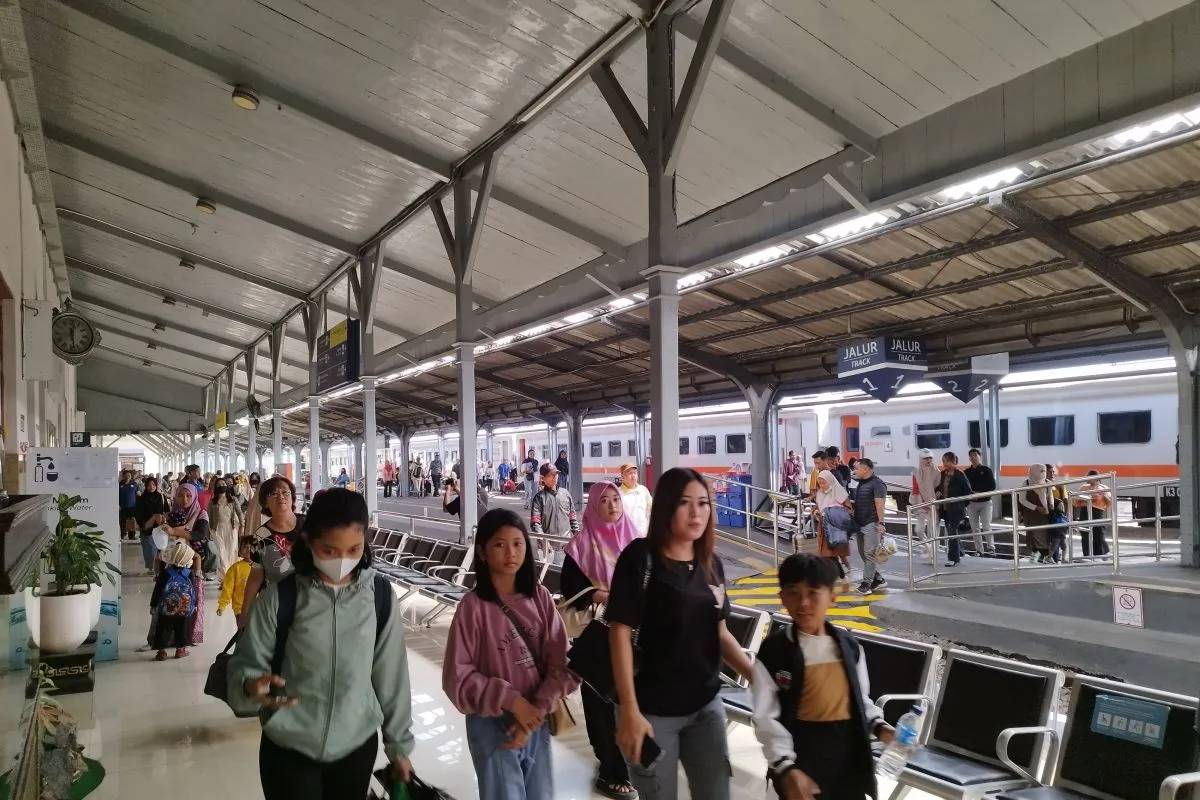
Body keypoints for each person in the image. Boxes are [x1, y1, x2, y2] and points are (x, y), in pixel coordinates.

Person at [229, 489, 415, 800]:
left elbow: (391, 675)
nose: (343, 560)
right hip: (288, 748)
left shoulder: (379, 597)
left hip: (356, 748)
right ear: (309, 540)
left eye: (354, 549)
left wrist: (399, 747)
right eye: (330, 550)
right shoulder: (281, 598)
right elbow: (245, 664)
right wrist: (250, 686)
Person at [609, 467, 755, 800]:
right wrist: (629, 710)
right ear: (665, 507)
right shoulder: (640, 558)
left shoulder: (711, 564)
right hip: (650, 710)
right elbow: (619, 634)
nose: (696, 512)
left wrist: (756, 676)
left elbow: (720, 632)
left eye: (703, 503)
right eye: (684, 502)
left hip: (706, 705)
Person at [443, 508, 578, 800]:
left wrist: (536, 708)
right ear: (482, 552)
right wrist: (513, 702)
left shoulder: (539, 598)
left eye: (518, 543)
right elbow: (458, 679)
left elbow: (562, 662)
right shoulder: (473, 608)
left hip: (536, 719)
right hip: (491, 724)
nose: (511, 553)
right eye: (500, 545)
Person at [751, 555, 894, 800]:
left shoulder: (849, 647)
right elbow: (765, 716)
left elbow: (860, 700)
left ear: (832, 596)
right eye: (793, 593)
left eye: (813, 592)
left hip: (847, 761)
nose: (803, 603)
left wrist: (880, 727)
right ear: (782, 597)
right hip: (802, 757)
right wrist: (785, 766)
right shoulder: (774, 652)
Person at [561, 483, 642, 800]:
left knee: (631, 699)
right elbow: (570, 587)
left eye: (615, 499)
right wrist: (600, 594)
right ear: (593, 506)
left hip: (633, 635)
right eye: (604, 501)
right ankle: (611, 770)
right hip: (596, 632)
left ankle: (633, 764)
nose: (611, 505)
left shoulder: (637, 541)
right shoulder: (580, 546)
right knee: (600, 702)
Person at [242, 475, 303, 613]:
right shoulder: (261, 535)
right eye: (274, 493)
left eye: (285, 492)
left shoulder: (309, 524)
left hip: (310, 603)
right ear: (265, 502)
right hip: (277, 605)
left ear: (292, 497)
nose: (280, 496)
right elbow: (256, 575)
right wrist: (245, 611)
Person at [150, 538, 201, 661]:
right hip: (184, 608)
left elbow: (158, 589)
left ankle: (161, 652)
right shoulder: (189, 574)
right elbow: (193, 591)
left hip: (166, 608)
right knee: (182, 629)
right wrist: (194, 605)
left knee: (163, 628)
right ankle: (180, 650)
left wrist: (153, 605)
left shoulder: (166, 573)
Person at [848, 458, 887, 595]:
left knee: (869, 554)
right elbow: (852, 476)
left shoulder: (878, 484)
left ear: (865, 469)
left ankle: (866, 584)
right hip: (860, 522)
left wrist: (881, 523)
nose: (855, 471)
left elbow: (880, 505)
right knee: (863, 553)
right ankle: (878, 579)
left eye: (857, 468)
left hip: (871, 523)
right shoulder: (862, 481)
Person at [813, 470, 853, 590]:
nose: (822, 486)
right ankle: (840, 577)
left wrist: (831, 512)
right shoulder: (820, 493)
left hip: (835, 528)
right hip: (824, 528)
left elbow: (849, 510)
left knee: (830, 555)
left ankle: (836, 578)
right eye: (820, 483)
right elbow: (818, 507)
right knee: (828, 555)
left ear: (830, 481)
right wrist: (816, 512)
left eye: (823, 483)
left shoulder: (839, 492)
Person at [530, 462, 579, 560]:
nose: (554, 477)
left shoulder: (565, 494)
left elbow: (572, 518)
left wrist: (577, 535)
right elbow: (535, 523)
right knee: (548, 570)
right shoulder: (539, 498)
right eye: (549, 475)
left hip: (565, 546)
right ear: (543, 478)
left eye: (555, 474)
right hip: (546, 548)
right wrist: (544, 541)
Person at [937, 452, 973, 568]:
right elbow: (938, 487)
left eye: (946, 461)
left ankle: (953, 558)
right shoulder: (942, 474)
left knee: (952, 531)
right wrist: (938, 493)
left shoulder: (960, 475)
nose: (944, 464)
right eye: (943, 461)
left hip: (956, 509)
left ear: (953, 462)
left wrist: (961, 505)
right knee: (952, 531)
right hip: (945, 509)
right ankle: (960, 552)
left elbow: (968, 492)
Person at [209, 475, 245, 579]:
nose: (222, 485)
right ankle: (224, 577)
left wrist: (242, 526)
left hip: (231, 529)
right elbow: (209, 516)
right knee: (221, 552)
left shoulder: (233, 500)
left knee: (231, 552)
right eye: (219, 484)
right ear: (216, 487)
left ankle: (231, 576)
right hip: (217, 530)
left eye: (223, 484)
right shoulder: (212, 502)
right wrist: (209, 531)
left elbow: (240, 513)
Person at [963, 449, 997, 555]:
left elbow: (992, 486)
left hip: (985, 502)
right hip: (971, 503)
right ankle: (979, 550)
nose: (973, 457)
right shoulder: (966, 472)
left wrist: (978, 493)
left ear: (979, 456)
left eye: (975, 455)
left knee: (986, 525)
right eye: (971, 456)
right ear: (969, 458)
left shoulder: (986, 470)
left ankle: (991, 548)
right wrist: (970, 495)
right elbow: (964, 487)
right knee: (974, 528)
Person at [134, 475, 169, 573]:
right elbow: (138, 513)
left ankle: (160, 567)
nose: (151, 487)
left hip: (160, 527)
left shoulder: (161, 497)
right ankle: (151, 568)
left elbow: (167, 510)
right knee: (149, 549)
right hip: (147, 527)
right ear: (145, 486)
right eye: (149, 485)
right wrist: (145, 523)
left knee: (160, 548)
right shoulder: (141, 499)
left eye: (153, 485)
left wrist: (164, 519)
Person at [1073, 470, 1111, 558]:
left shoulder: (1103, 488)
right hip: (1085, 512)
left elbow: (1109, 503)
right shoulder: (1083, 487)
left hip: (1097, 513)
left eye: (1089, 477)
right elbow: (1075, 502)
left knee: (1098, 534)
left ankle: (1100, 554)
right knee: (1085, 534)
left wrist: (1103, 495)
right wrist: (1086, 500)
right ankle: (1087, 555)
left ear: (1096, 478)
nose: (1087, 479)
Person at [217, 536, 254, 626]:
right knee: (243, 630)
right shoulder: (235, 568)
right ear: (240, 550)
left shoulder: (262, 567)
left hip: (257, 608)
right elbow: (227, 588)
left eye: (252, 547)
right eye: (245, 547)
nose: (248, 549)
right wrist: (222, 605)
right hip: (240, 608)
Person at [1019, 464, 1052, 563]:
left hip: (1045, 515)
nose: (1044, 473)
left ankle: (1043, 558)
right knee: (1034, 537)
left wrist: (1051, 505)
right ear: (1034, 472)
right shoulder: (1026, 483)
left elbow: (1050, 496)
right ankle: (1038, 559)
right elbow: (1022, 500)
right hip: (1032, 515)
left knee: (1044, 537)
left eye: (1044, 471)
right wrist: (1036, 507)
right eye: (1041, 471)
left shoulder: (1047, 482)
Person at [909, 449, 939, 555]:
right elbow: (915, 490)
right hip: (920, 504)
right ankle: (928, 547)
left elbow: (938, 488)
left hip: (933, 504)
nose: (928, 460)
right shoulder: (916, 473)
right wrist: (919, 504)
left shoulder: (936, 472)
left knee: (933, 531)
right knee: (919, 530)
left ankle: (933, 553)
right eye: (925, 458)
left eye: (930, 458)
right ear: (921, 459)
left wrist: (934, 500)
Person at [617, 462, 653, 537]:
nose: (633, 476)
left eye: (635, 473)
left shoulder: (643, 490)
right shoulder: (618, 493)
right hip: (625, 537)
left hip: (643, 535)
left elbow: (650, 511)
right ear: (623, 476)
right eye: (630, 473)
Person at [1045, 464, 1069, 563]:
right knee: (1046, 541)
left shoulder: (1059, 485)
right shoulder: (1039, 485)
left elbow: (1065, 501)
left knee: (1057, 539)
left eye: (1053, 472)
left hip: (1057, 518)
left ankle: (1053, 558)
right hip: (1046, 517)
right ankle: (1041, 559)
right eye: (1049, 472)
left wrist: (1065, 517)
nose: (1052, 474)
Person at [119, 470, 138, 541]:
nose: (127, 477)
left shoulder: (134, 484)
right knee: (122, 521)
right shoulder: (119, 484)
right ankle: (123, 534)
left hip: (132, 507)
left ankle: (132, 535)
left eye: (129, 476)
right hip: (122, 507)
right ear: (123, 476)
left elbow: (137, 494)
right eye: (126, 475)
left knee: (132, 521)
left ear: (131, 477)